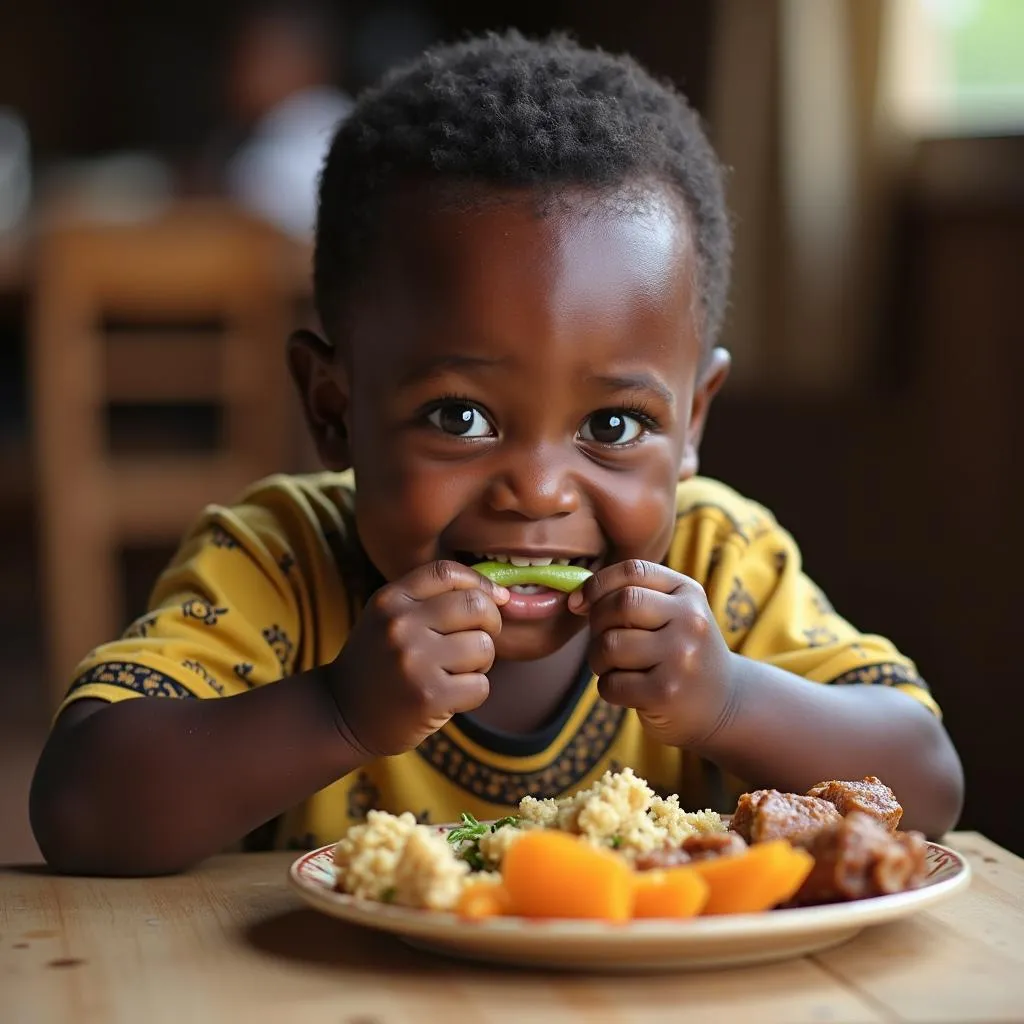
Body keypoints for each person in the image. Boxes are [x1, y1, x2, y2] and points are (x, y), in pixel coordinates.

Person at [30, 32, 963, 876]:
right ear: (333, 407)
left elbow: (928, 786)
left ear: (694, 425)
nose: (538, 490)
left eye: (612, 427)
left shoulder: (721, 564)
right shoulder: (279, 561)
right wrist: (339, 712)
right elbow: (81, 809)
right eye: (461, 418)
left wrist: (729, 701)